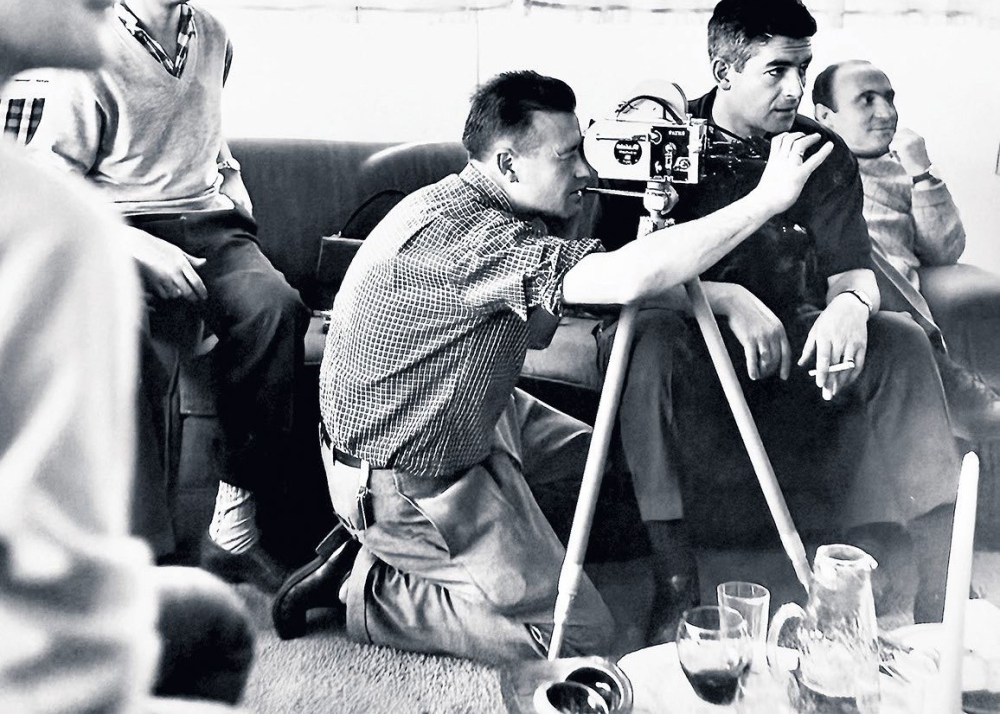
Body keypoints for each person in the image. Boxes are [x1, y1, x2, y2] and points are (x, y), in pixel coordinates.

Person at [270, 68, 832, 662]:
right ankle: (365, 584)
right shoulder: (471, 236)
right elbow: (628, 278)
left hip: (471, 414)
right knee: (577, 634)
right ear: (509, 165)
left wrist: (717, 292)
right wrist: (764, 201)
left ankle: (478, 552)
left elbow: (544, 326)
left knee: (614, 470)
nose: (587, 172)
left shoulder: (481, 205)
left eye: (584, 149)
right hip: (408, 478)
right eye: (568, 157)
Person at [0, 0, 252, 710]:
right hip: (133, 228)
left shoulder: (41, 226)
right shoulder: (47, 231)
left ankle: (243, 511)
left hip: (207, 227)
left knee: (205, 619)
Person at [592, 0, 962, 637]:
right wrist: (723, 300)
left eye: (802, 69)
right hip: (691, 348)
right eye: (776, 71)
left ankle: (942, 589)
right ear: (724, 71)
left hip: (795, 347)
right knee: (648, 341)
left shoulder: (822, 151)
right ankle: (676, 585)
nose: (794, 89)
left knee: (903, 339)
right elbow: (614, 277)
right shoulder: (659, 141)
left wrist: (850, 305)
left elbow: (855, 272)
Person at [30, 0, 311, 589]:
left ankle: (235, 528)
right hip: (116, 230)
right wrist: (140, 247)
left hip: (210, 225)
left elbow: (207, 135)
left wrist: (232, 189)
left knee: (276, 310)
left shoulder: (212, 35)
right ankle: (143, 553)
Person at [812, 59, 1000, 435]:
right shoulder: (811, 167)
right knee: (863, 251)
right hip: (838, 294)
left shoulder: (902, 170)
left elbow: (944, 251)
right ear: (825, 116)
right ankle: (964, 399)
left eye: (889, 98)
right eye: (866, 100)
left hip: (897, 303)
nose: (886, 113)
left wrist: (922, 173)